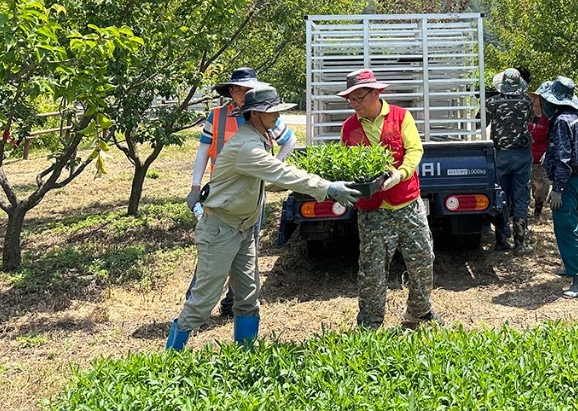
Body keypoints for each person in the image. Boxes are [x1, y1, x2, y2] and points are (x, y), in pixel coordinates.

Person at [166, 86, 361, 350]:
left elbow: (266, 180)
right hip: (221, 230)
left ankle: (244, 356)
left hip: (243, 229)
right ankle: (171, 359)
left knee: (248, 297)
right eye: (273, 112)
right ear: (256, 114)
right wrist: (327, 188)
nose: (277, 117)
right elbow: (281, 172)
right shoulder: (247, 146)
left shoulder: (260, 137)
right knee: (202, 302)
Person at [186, 67, 296, 317]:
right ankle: (194, 306)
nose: (244, 93)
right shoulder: (216, 117)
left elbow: (289, 140)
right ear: (231, 91)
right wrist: (195, 186)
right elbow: (203, 150)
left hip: (251, 197)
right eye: (240, 89)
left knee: (248, 250)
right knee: (214, 249)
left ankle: (232, 303)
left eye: (249, 89)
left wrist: (273, 169)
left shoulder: (264, 115)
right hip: (220, 195)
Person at [338, 68, 440, 330]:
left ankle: (419, 312)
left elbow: (415, 150)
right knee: (371, 270)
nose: (354, 104)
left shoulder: (401, 116)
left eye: (358, 98)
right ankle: (370, 323)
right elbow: (346, 164)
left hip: (407, 204)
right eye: (350, 100)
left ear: (376, 93)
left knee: (422, 258)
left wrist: (401, 174)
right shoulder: (348, 127)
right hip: (372, 211)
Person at [537, 76, 578, 298]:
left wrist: (557, 188)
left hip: (566, 181)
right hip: (575, 179)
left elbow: (563, 158)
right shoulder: (577, 117)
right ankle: (571, 267)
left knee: (565, 227)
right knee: (574, 223)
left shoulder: (560, 122)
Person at [485, 68, 534, 254]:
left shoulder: (492, 103)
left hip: (500, 155)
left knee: (500, 197)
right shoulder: (526, 102)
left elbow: (479, 122)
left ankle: (501, 240)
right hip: (522, 155)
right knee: (521, 198)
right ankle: (520, 244)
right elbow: (527, 121)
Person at [528, 92, 551, 220]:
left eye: (536, 97)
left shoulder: (548, 119)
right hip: (527, 158)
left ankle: (538, 211)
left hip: (541, 158)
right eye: (532, 97)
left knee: (543, 186)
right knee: (528, 187)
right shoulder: (527, 116)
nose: (533, 100)